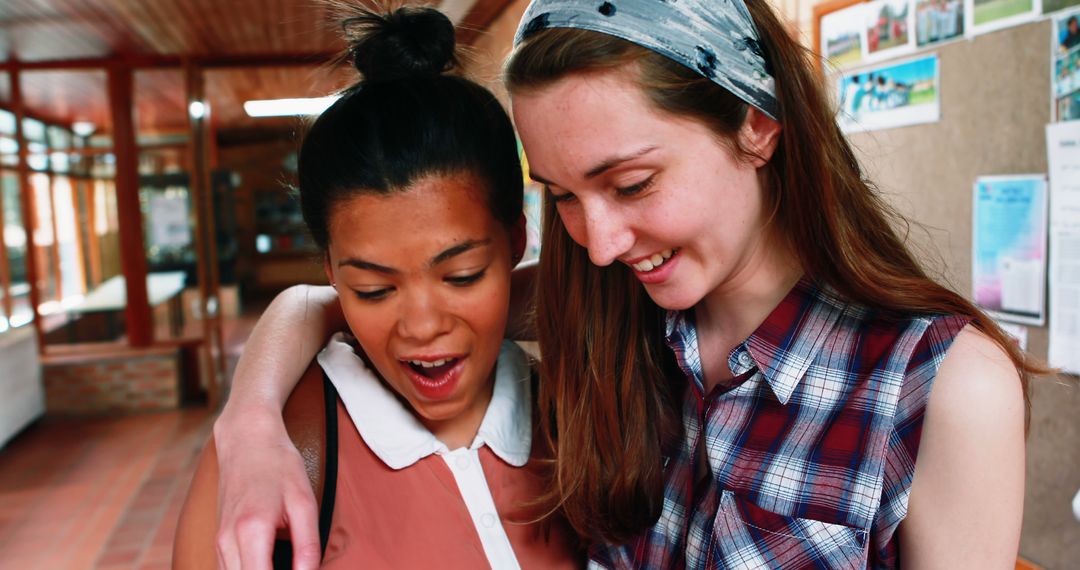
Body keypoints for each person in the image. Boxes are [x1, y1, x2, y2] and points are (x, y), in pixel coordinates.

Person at [213, 0, 1033, 568]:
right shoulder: (615, 308)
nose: (599, 243)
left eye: (632, 184)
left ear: (756, 124)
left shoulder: (942, 387)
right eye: (565, 195)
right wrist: (248, 430)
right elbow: (333, 305)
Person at [173, 7, 579, 569]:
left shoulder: (581, 412)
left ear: (516, 241)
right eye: (372, 290)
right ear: (332, 273)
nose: (421, 326)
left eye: (461, 276)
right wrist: (249, 419)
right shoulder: (272, 453)